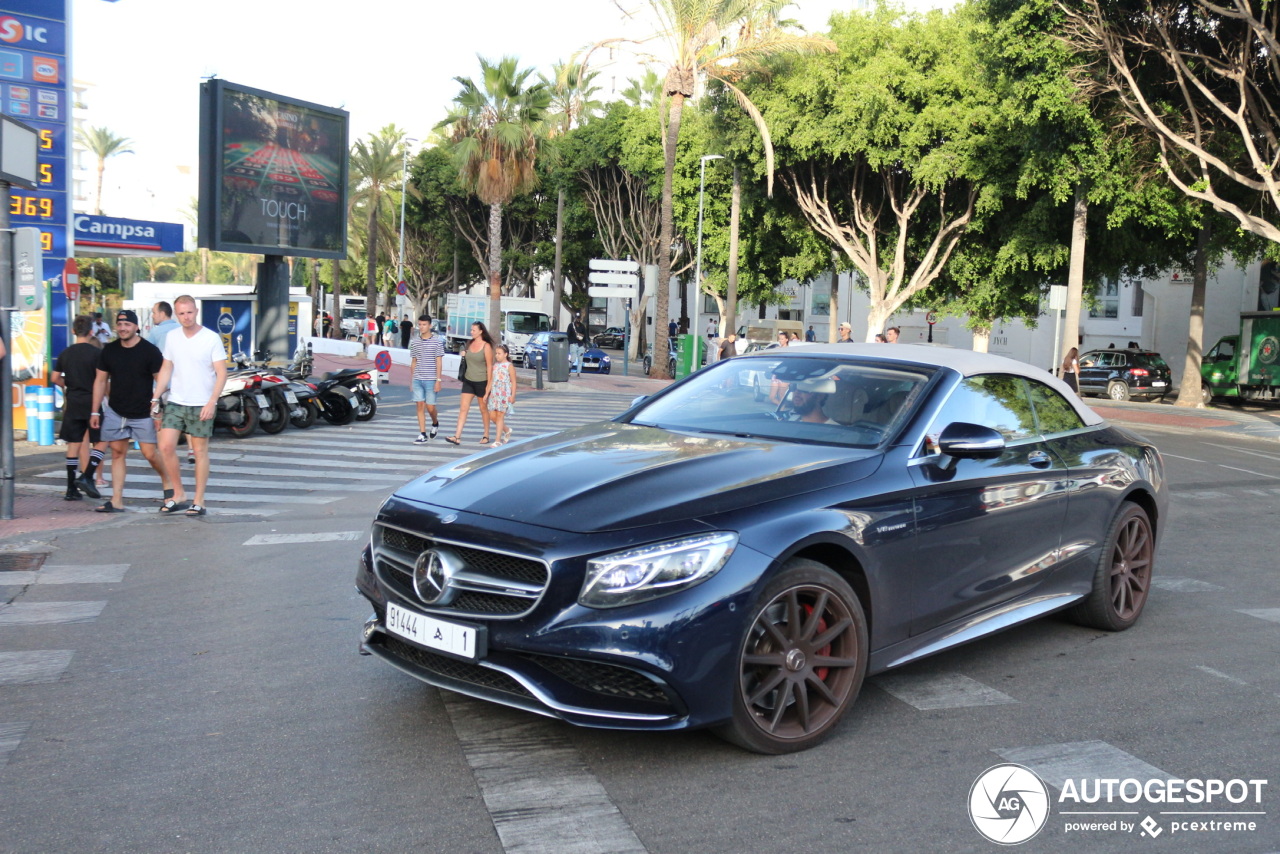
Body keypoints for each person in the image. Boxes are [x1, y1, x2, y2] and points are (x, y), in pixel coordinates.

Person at [88, 310, 171, 513]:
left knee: (150, 454)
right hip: (116, 410)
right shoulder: (109, 350)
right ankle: (116, 500)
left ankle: (169, 483)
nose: (123, 328)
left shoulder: (149, 351)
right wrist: (95, 411)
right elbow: (100, 381)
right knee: (117, 453)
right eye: (120, 324)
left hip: (143, 411)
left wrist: (158, 409)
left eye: (127, 325)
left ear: (136, 327)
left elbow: (162, 381)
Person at [152, 295, 228, 517]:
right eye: (182, 313)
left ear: (196, 312)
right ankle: (178, 493)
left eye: (189, 312)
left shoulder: (211, 338)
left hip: (201, 402)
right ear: (176, 314)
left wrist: (212, 401)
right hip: (176, 400)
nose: (186, 317)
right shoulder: (172, 337)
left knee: (200, 451)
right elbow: (167, 367)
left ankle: (199, 500)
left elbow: (221, 373)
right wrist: (156, 396)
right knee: (165, 446)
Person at [51, 315, 106, 501]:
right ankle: (88, 475)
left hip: (73, 401)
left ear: (73, 331)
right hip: (92, 402)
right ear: (91, 332)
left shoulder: (66, 353)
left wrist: (67, 384)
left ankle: (70, 488)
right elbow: (101, 379)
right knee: (101, 440)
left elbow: (54, 378)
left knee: (73, 444)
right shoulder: (97, 354)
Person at [445, 321, 494, 445]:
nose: (471, 332)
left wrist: (488, 386)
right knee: (463, 409)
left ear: (480, 331)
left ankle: (486, 435)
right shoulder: (469, 343)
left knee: (483, 409)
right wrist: (464, 355)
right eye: (471, 330)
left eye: (473, 330)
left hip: (481, 381)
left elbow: (489, 367)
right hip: (468, 380)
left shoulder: (486, 346)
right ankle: (457, 436)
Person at [409, 314, 445, 444]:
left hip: (431, 379)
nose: (421, 327)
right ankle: (422, 434)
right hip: (418, 378)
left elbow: (439, 361)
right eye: (420, 324)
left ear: (430, 325)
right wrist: (412, 380)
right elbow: (414, 361)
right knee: (419, 405)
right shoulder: (415, 341)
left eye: (424, 325)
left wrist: (438, 380)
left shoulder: (437, 341)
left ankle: (435, 423)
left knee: (430, 407)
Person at [486, 344, 517, 446]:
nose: (497, 355)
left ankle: (497, 440)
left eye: (499, 353)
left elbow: (513, 381)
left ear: (505, 354)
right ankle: (507, 430)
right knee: (492, 416)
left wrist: (513, 395)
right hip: (494, 393)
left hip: (504, 394)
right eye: (496, 353)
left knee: (500, 416)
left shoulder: (509, 366)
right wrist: (487, 393)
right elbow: (491, 380)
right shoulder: (495, 366)